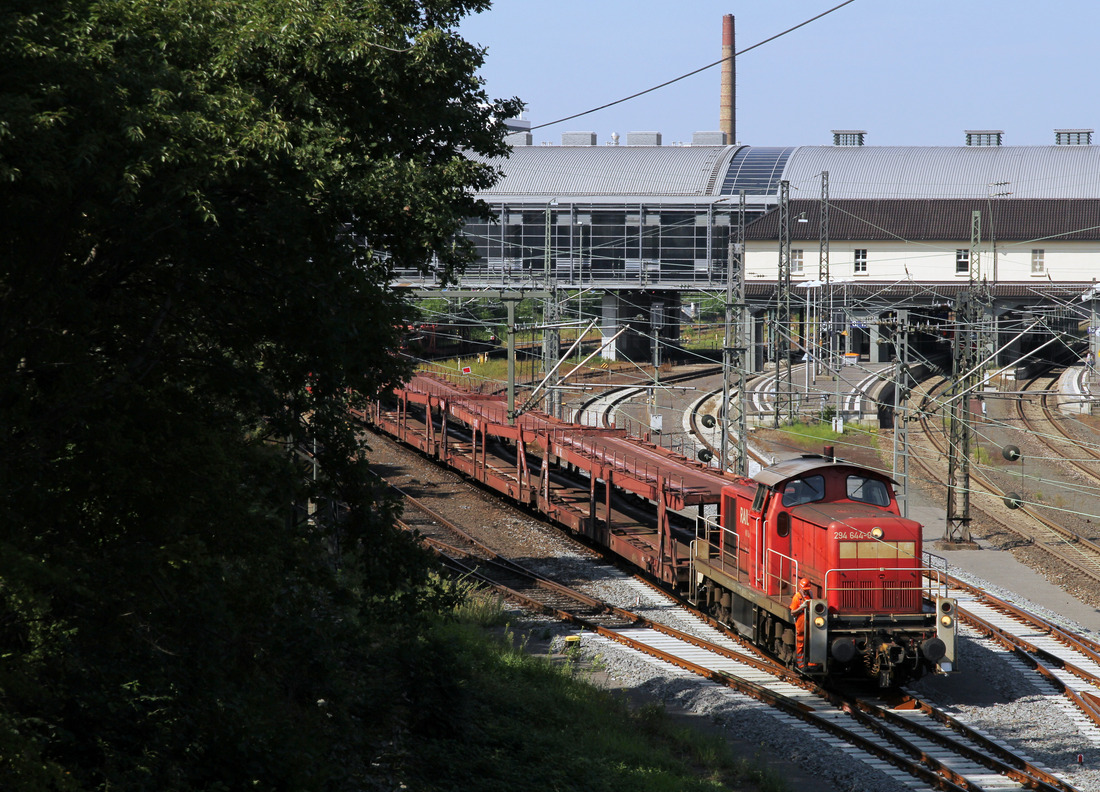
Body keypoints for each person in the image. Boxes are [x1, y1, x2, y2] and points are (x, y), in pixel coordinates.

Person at [789, 577, 813, 669]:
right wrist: (801, 607)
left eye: (807, 589)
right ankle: (801, 664)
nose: (806, 591)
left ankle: (811, 663)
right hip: (801, 621)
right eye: (805, 590)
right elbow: (792, 612)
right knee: (801, 642)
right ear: (801, 588)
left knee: (811, 641)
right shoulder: (797, 597)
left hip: (809, 620)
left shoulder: (810, 594)